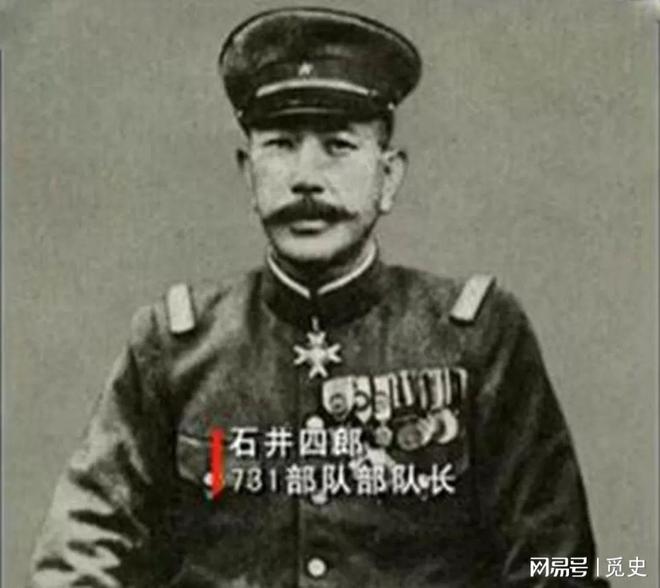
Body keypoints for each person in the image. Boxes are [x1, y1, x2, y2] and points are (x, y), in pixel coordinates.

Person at [29, 7, 609, 587]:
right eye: (281, 144)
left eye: (338, 145)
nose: (306, 176)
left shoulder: (477, 337)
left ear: (389, 177)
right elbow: (80, 549)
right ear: (247, 173)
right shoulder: (174, 346)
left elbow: (560, 563)